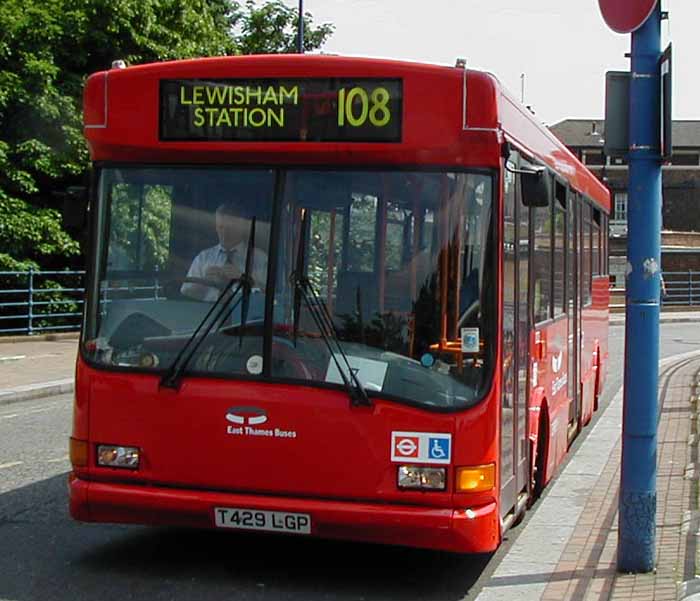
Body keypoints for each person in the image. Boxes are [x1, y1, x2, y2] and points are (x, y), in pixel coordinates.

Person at [181, 203, 268, 302]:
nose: (224, 233)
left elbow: (269, 297)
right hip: (208, 316)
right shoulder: (203, 258)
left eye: (230, 228)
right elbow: (185, 293)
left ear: (242, 227)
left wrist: (243, 279)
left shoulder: (260, 259)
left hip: (245, 315)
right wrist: (204, 282)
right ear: (216, 227)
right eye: (221, 227)